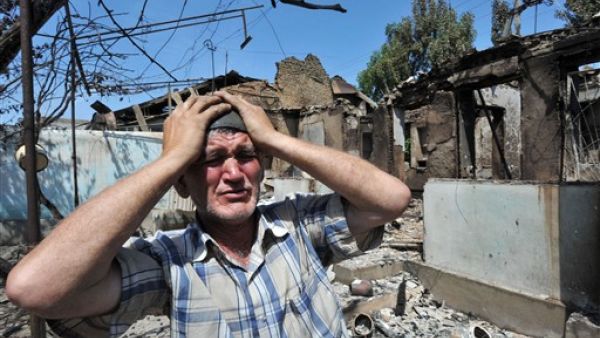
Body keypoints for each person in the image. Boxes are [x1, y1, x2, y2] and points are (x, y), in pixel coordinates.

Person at [7, 92, 411, 337]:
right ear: (182, 184)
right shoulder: (169, 264)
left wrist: (272, 138)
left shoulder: (299, 227)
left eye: (247, 156)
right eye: (212, 160)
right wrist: (173, 159)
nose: (233, 174)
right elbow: (34, 289)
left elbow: (390, 199)